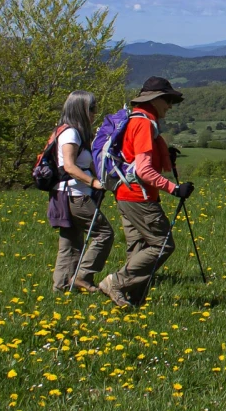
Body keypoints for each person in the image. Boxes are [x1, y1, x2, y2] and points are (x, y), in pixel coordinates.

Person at [98, 77, 193, 308]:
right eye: (167, 100)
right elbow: (143, 169)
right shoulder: (144, 124)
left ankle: (132, 301)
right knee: (162, 245)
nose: (170, 105)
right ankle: (116, 283)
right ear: (155, 100)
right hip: (139, 197)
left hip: (124, 193)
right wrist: (175, 189)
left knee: (139, 247)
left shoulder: (136, 119)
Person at [51, 90, 113, 293]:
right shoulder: (71, 133)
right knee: (104, 233)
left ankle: (61, 288)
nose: (95, 113)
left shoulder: (64, 130)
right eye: (92, 109)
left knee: (70, 243)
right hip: (75, 195)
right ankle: (83, 276)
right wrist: (93, 182)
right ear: (81, 110)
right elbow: (69, 166)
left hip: (65, 194)